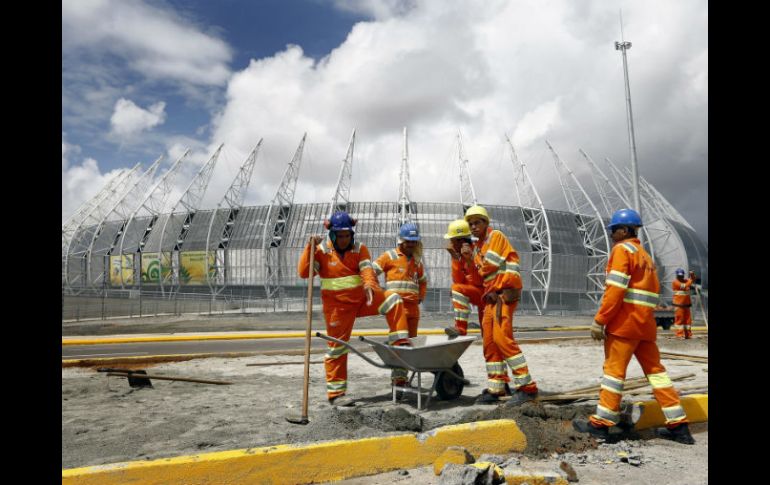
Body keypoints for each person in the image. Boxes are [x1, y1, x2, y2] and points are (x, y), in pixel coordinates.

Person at [572, 208, 695, 444]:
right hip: (645, 328)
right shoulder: (646, 256)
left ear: (625, 230)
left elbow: (615, 290)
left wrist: (600, 320)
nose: (611, 233)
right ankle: (679, 426)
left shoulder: (621, 251)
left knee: (613, 375)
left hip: (624, 327)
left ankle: (601, 425)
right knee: (657, 375)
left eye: (614, 229)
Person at [297, 211, 411, 406]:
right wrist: (310, 247)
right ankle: (336, 395)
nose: (344, 240)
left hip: (362, 298)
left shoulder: (360, 249)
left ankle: (400, 359)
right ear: (332, 234)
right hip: (338, 308)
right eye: (340, 236)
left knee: (394, 300)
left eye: (347, 235)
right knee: (337, 348)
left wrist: (369, 285)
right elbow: (303, 273)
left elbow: (366, 269)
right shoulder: (321, 251)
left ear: (352, 234)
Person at [464, 205, 539, 406]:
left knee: (502, 339)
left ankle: (527, 387)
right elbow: (478, 277)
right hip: (492, 299)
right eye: (470, 224)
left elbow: (489, 265)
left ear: (486, 223)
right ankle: (497, 386)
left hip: (504, 296)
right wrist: (470, 258)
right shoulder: (479, 246)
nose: (473, 227)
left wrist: (472, 258)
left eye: (477, 222)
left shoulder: (494, 236)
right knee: (489, 342)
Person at [372, 222, 427, 386]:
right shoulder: (389, 256)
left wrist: (421, 296)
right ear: (401, 240)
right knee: (399, 342)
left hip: (413, 309)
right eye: (408, 241)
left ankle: (402, 378)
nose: (411, 244)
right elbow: (371, 272)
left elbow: (423, 282)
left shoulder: (417, 262)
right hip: (396, 308)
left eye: (414, 241)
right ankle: (398, 379)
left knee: (409, 345)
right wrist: (378, 293)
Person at [443, 219, 485, 338]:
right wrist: (455, 259)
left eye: (452, 240)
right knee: (456, 287)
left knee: (489, 334)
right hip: (478, 294)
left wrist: (470, 260)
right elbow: (458, 281)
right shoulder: (459, 255)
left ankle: (461, 328)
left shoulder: (478, 251)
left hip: (487, 294)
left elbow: (480, 280)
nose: (450, 243)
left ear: (460, 240)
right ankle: (460, 328)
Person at [672, 268, 696, 339]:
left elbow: (693, 280)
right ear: (676, 275)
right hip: (678, 305)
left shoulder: (686, 281)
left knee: (688, 321)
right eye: (679, 276)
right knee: (680, 320)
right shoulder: (675, 282)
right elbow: (684, 286)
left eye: (681, 275)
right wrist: (690, 281)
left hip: (686, 304)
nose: (680, 277)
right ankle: (679, 335)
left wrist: (692, 275)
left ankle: (688, 334)